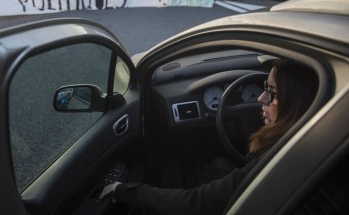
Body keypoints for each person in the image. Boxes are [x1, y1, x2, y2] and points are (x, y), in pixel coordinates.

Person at [100, 59, 318, 215]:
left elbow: (195, 203)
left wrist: (123, 189)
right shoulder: (307, 140)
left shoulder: (278, 158)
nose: (261, 98)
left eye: (273, 92)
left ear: (295, 102)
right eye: (263, 88)